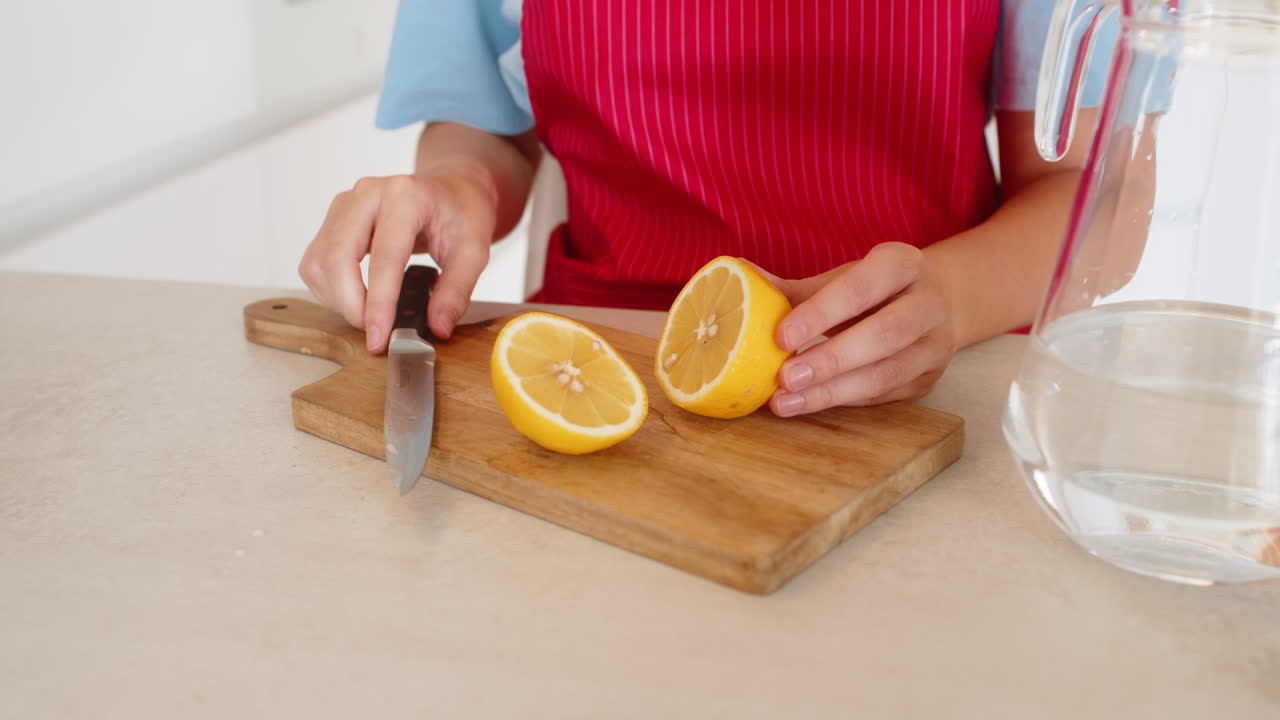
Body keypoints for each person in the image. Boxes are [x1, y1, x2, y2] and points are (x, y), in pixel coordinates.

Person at [299, 0, 1114, 417]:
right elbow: (486, 132)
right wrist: (457, 186)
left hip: (930, 388)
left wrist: (954, 298)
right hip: (600, 373)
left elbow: (1091, 191)